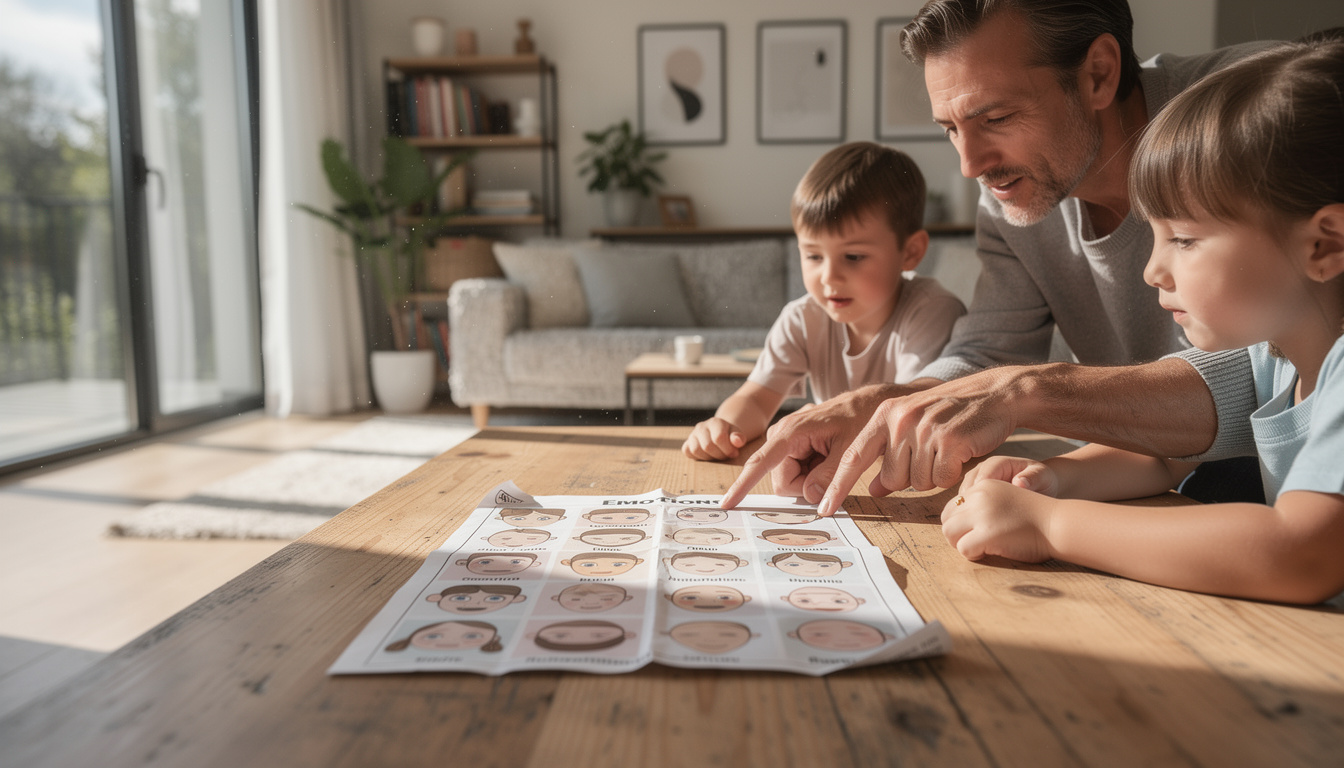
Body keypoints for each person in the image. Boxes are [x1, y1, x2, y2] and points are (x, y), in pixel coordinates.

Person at [721, 0, 1278, 514]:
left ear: (1099, 74)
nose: (970, 165)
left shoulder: (1260, 111)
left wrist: (1024, 392)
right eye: (951, 129)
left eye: (995, 119)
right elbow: (991, 349)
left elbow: (1274, 369)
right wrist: (886, 402)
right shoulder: (1012, 194)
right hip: (1145, 477)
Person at [943, 38, 1344, 603]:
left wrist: (1050, 526)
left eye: (1183, 239)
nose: (1154, 269)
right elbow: (1165, 452)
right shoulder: (1275, 355)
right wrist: (1055, 480)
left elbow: (1297, 552)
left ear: (1324, 244)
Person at [682, 142, 965, 461]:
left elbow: (914, 412)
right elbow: (757, 399)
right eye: (814, 255)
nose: (829, 277)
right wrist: (724, 427)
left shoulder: (932, 311)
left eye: (853, 256)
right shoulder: (802, 318)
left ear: (910, 252)